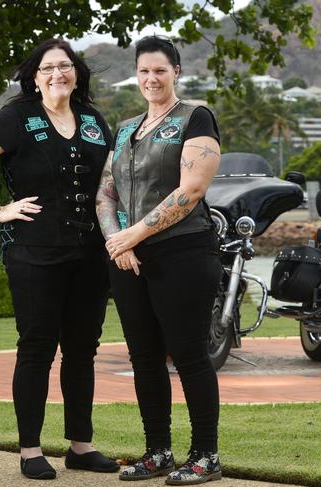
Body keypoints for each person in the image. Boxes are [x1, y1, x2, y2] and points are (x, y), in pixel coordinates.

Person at [0, 38, 119, 480]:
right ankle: (30, 451)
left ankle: (81, 446)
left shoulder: (94, 120)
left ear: (77, 73)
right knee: (37, 348)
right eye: (47, 68)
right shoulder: (17, 116)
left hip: (89, 253)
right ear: (34, 77)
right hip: (35, 253)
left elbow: (112, 183)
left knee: (82, 350)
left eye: (65, 66)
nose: (57, 73)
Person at [95, 35, 222, 485]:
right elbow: (105, 193)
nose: (151, 78)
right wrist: (119, 244)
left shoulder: (195, 118)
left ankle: (205, 455)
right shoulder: (126, 127)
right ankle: (157, 453)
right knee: (144, 358)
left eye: (160, 71)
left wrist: (136, 233)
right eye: (144, 70)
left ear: (176, 73)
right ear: (136, 73)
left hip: (183, 251)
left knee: (188, 355)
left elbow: (191, 191)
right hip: (128, 259)